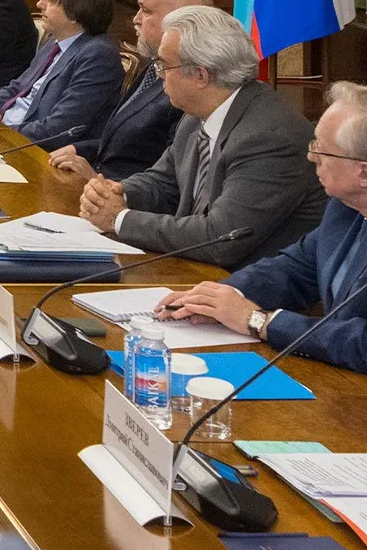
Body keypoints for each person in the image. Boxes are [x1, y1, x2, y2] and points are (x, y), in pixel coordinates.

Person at [77, 5, 325, 269]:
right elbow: (163, 182)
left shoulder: (269, 139)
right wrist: (116, 192)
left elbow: (220, 239)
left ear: (201, 75)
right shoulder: (197, 116)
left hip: (247, 283)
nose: (159, 75)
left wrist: (119, 218)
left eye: (164, 65)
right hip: (196, 272)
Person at [156, 82, 367, 373]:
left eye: (323, 152)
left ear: (363, 173)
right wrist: (219, 298)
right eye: (314, 144)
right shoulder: (344, 208)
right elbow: (295, 270)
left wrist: (260, 321)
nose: (311, 157)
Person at [49, 0, 212, 180]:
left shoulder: (189, 82)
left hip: (124, 192)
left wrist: (97, 181)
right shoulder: (155, 64)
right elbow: (124, 142)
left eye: (146, 11)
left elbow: (169, 176)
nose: (136, 19)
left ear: (180, 18)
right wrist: (78, 149)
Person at [0, 0, 121, 149]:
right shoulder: (55, 41)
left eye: (51, 0)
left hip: (31, 148)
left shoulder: (98, 56)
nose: (40, 3)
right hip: (4, 132)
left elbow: (59, 128)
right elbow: (18, 86)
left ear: (76, 13)